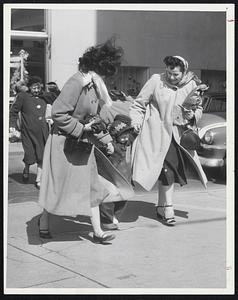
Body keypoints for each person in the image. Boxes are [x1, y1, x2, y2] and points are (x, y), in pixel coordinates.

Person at [38, 39, 134, 244]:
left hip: (82, 144)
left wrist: (106, 139)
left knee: (91, 188)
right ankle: (43, 222)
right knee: (57, 187)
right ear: (98, 68)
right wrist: (82, 129)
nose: (107, 78)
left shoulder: (94, 87)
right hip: (62, 143)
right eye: (106, 73)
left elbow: (96, 119)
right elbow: (58, 113)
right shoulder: (77, 82)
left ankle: (98, 232)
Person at [129, 55, 208, 226]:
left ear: (184, 72)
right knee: (166, 170)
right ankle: (169, 208)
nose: (171, 78)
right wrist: (135, 121)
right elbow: (138, 104)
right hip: (155, 134)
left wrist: (193, 115)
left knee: (168, 170)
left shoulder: (192, 84)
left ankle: (160, 207)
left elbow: (199, 108)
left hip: (178, 136)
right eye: (169, 73)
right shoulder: (156, 80)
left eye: (176, 75)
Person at [9, 76, 49, 189]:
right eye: (34, 88)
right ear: (29, 87)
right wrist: (12, 127)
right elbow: (13, 112)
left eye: (38, 88)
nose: (36, 90)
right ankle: (26, 169)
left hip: (42, 132)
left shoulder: (44, 97)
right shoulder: (23, 96)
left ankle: (38, 180)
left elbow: (57, 100)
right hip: (27, 132)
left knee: (41, 156)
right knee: (29, 155)